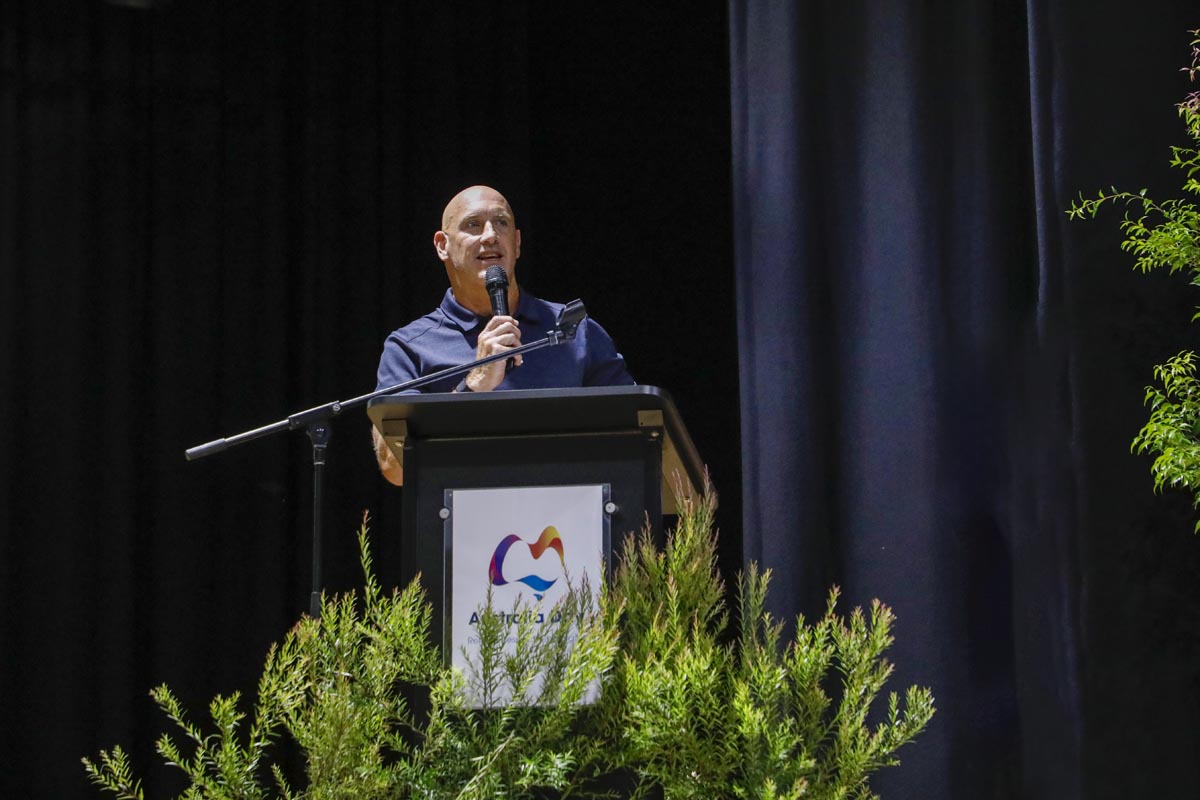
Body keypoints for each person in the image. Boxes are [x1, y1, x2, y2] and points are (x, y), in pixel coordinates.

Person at [372, 185, 634, 484]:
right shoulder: (410, 347)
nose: (490, 235)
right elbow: (394, 466)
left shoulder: (573, 330)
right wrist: (473, 386)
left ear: (517, 242)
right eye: (473, 224)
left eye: (501, 223)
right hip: (462, 522)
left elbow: (635, 434)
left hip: (564, 521)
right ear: (442, 245)